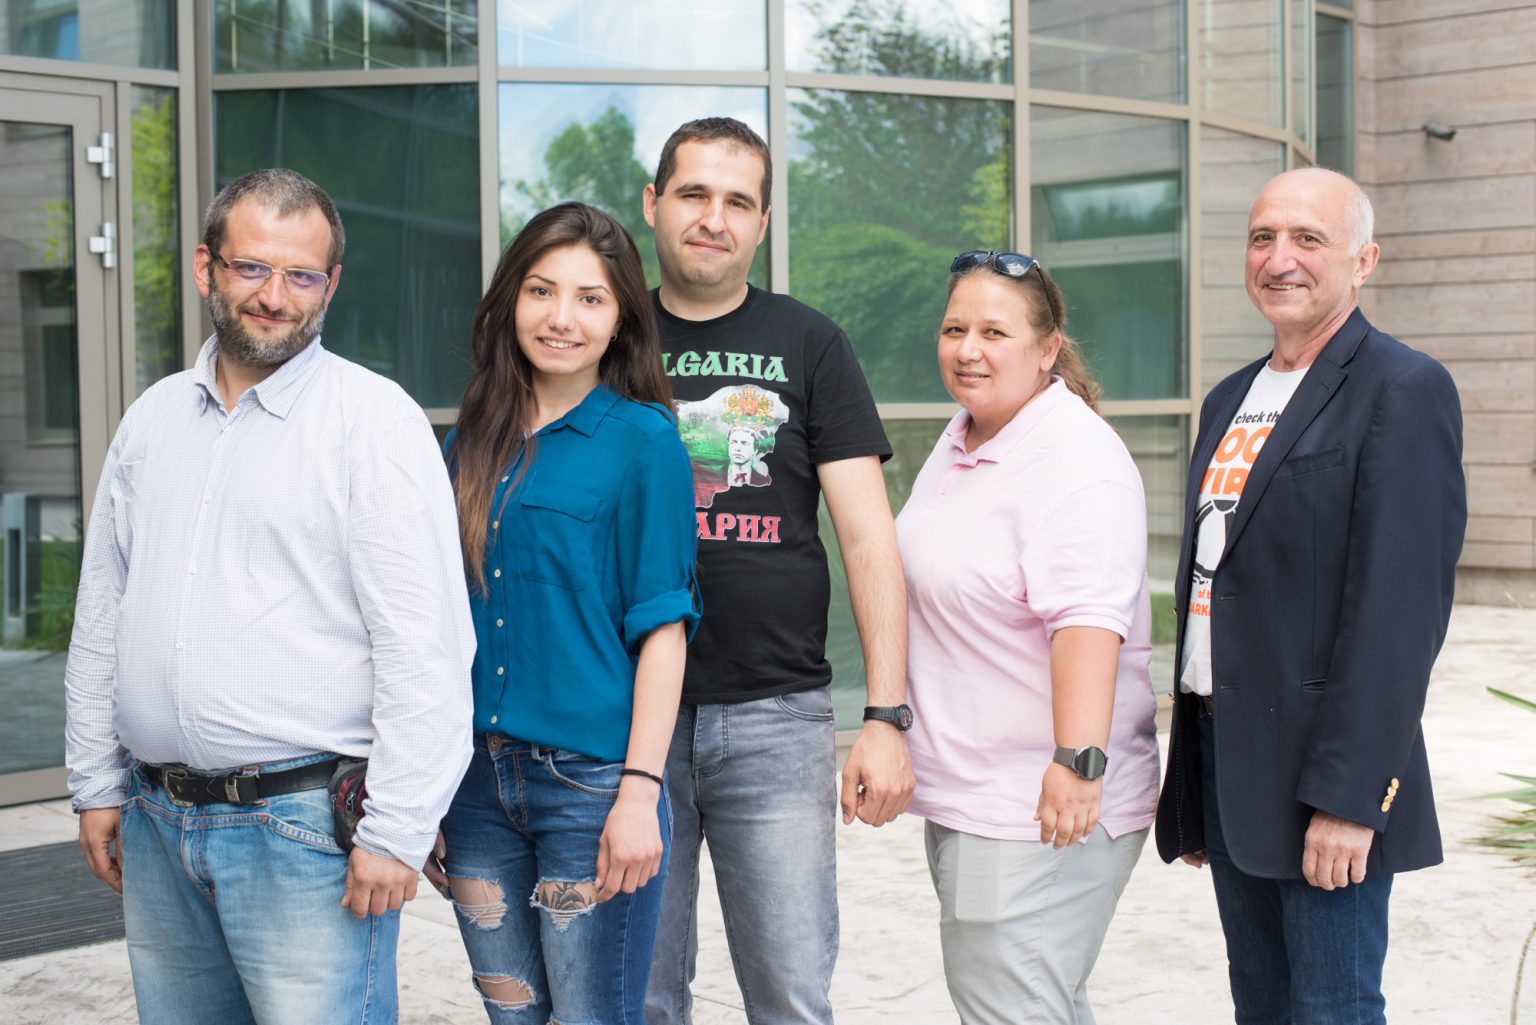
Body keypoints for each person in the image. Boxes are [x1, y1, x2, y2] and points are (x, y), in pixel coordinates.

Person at [64, 167, 475, 1024]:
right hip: (155, 820)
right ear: (206, 267)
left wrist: (398, 830)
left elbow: (426, 645)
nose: (275, 296)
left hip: (303, 835)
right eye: (252, 267)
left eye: (302, 275)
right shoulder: (150, 421)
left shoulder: (374, 423)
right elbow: (103, 612)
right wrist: (96, 782)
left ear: (332, 283)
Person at [1154, 168, 1467, 1024]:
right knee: (1259, 1005)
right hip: (1227, 755)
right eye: (1262, 237)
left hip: (1322, 774)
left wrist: (1351, 798)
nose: (1278, 258)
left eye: (1307, 239)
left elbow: (1399, 618)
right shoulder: (1229, 398)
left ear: (1364, 261)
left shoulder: (1401, 388)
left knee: (1332, 1010)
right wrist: (1196, 782)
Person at [641, 117, 914, 1025]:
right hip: (625, 716)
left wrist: (885, 716)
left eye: (737, 201)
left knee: (791, 996)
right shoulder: (605, 333)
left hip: (776, 717)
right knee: (641, 994)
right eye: (693, 194)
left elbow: (868, 537)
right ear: (653, 203)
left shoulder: (810, 341)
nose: (713, 218)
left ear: (762, 222)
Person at [435, 202, 699, 1025]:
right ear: (511, 299)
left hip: (590, 787)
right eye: (542, 290)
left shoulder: (644, 440)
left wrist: (639, 793)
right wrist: (422, 787)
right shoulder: (469, 440)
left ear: (621, 317)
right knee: (513, 1016)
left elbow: (663, 629)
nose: (561, 317)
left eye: (590, 298)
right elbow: (434, 621)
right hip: (473, 787)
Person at [898, 251, 1160, 1024]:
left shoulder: (1074, 460)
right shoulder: (968, 435)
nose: (967, 349)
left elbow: (1088, 622)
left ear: (1048, 349)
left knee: (1009, 1006)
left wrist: (1077, 764)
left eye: (993, 332)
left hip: (1035, 805)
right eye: (954, 329)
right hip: (976, 794)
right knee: (1036, 1001)